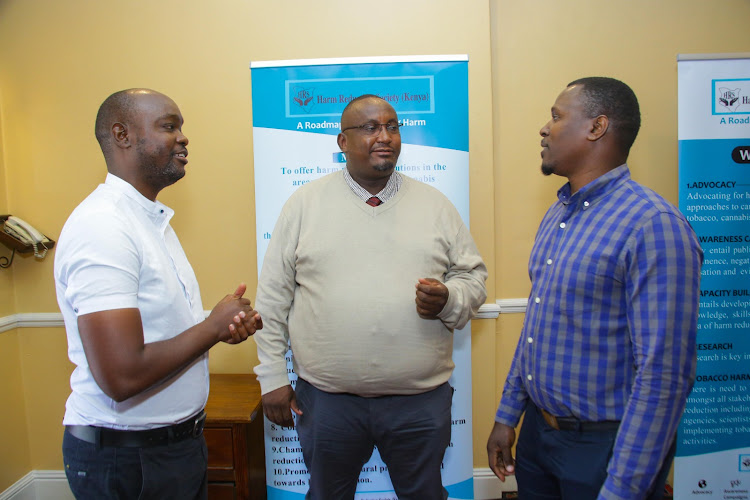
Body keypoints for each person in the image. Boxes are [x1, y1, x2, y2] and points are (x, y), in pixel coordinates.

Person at [254, 94, 487, 499]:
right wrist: (272, 377)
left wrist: (448, 298)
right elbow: (273, 298)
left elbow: (474, 278)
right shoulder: (303, 205)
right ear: (342, 142)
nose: (385, 136)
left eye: (392, 126)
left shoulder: (436, 206)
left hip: (418, 403)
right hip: (328, 403)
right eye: (370, 127)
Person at [487, 77, 703, 500]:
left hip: (605, 450)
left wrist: (624, 487)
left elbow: (663, 376)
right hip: (537, 439)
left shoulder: (653, 227)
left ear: (597, 127)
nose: (544, 129)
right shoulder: (559, 214)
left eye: (556, 116)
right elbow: (538, 326)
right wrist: (508, 414)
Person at [54, 88, 263, 500]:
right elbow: (122, 375)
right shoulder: (104, 226)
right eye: (169, 126)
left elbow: (157, 328)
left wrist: (222, 325)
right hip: (128, 460)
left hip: (174, 447)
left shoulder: (148, 220)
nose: (184, 138)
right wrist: (211, 328)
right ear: (122, 134)